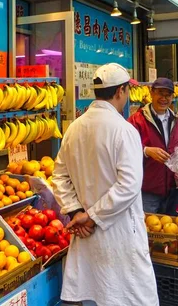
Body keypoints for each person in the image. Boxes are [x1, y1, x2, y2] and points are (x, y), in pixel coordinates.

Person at [52, 63, 157, 306]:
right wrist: (92, 216)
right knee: (128, 296)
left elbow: (59, 175)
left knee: (94, 294)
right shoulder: (124, 130)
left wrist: (77, 211)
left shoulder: (74, 128)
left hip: (86, 232)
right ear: (121, 91)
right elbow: (129, 185)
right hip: (119, 233)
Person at [128, 77, 178, 213]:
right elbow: (124, 149)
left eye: (168, 94)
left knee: (172, 230)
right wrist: (146, 150)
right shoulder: (136, 120)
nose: (164, 98)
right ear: (151, 93)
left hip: (174, 191)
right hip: (147, 191)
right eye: (160, 93)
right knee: (148, 231)